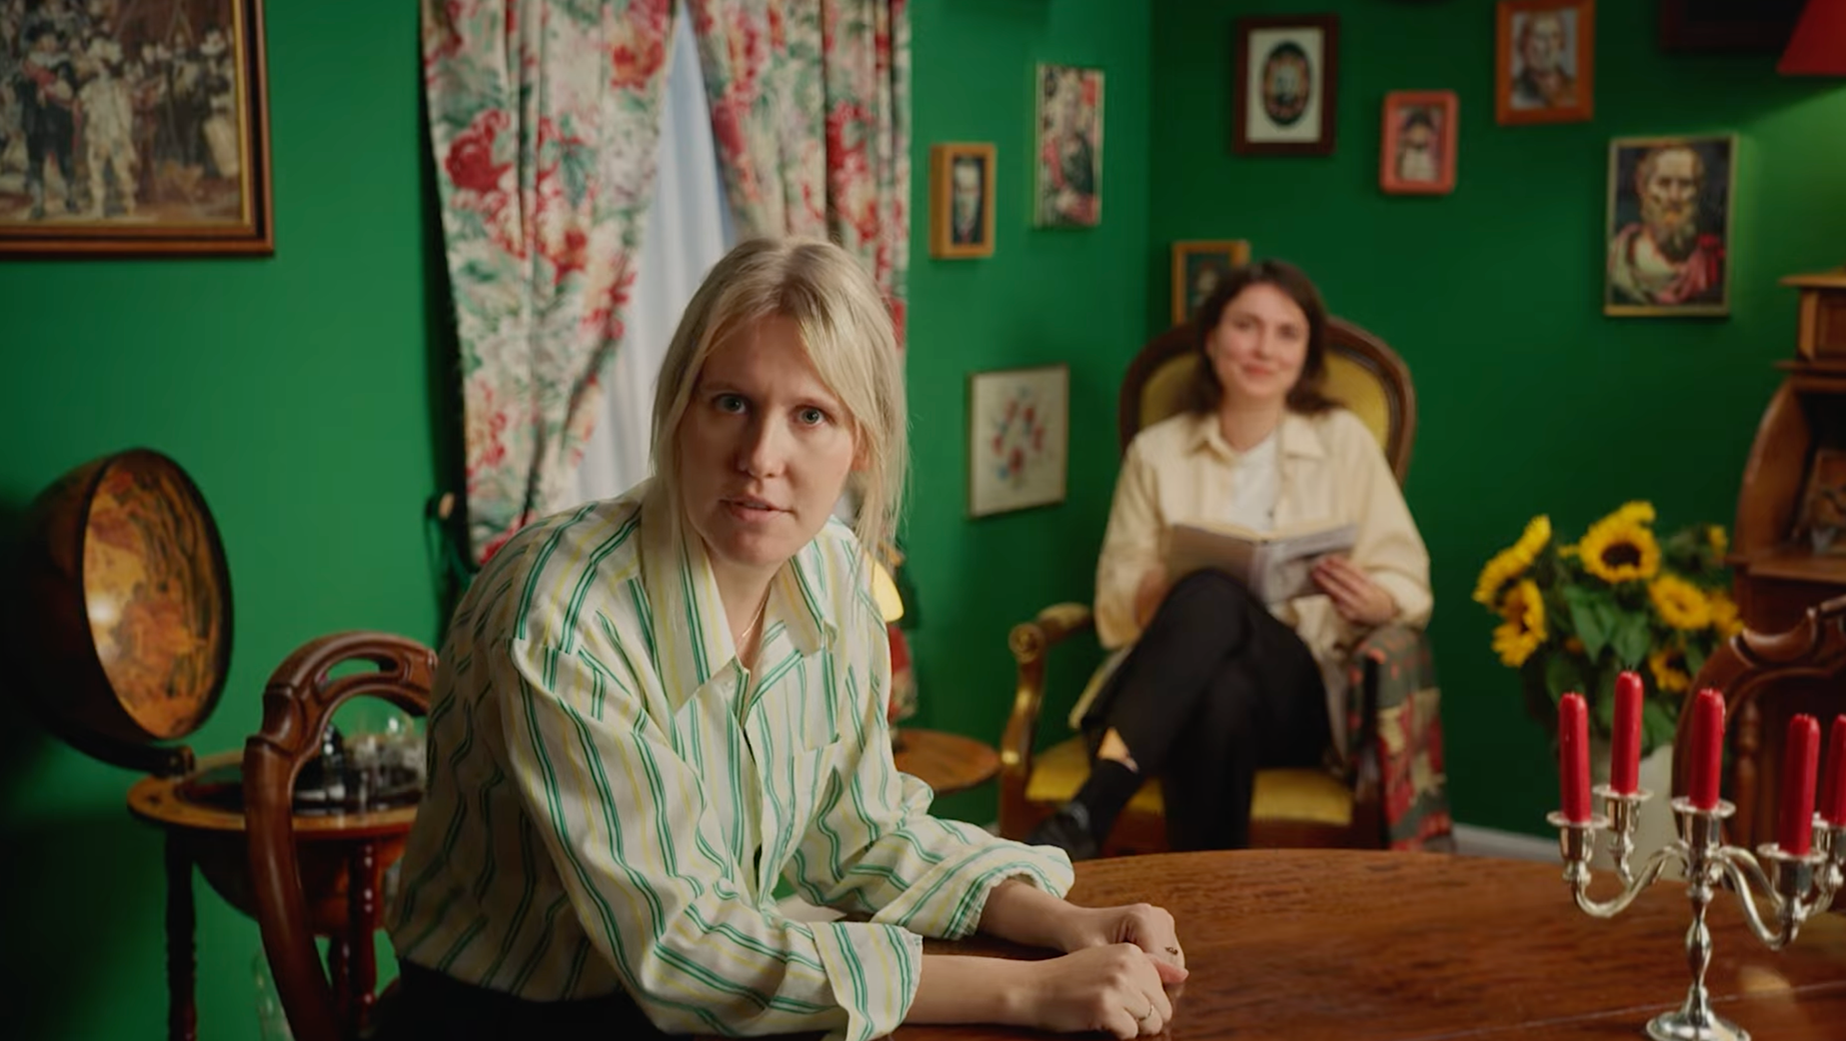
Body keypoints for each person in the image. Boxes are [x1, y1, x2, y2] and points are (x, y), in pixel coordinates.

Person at [387, 237, 1188, 1041]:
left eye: (811, 415)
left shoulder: (837, 575)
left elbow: (859, 832)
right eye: (730, 402)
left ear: (862, 441)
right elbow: (683, 949)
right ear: (679, 409)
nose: (760, 458)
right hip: (504, 1018)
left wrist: (1064, 921)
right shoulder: (564, 609)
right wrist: (1029, 990)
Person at [1028, 260, 1432, 859]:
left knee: (1215, 595)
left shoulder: (1343, 441)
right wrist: (1162, 587)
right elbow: (1114, 600)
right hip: (1174, 688)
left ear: (1306, 353)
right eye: (1246, 326)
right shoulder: (1157, 452)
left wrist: (1377, 600)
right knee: (1220, 684)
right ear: (1213, 338)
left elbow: (1408, 579)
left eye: (1287, 333)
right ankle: (1210, 903)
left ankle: (1093, 806)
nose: (1264, 348)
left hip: (1294, 699)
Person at [1608, 143, 1723, 307]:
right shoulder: (1616, 257)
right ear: (1642, 187)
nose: (1674, 197)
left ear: (1698, 190)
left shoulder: (1715, 259)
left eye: (1685, 184)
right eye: (1663, 183)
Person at [1509, 11, 1576, 110]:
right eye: (1540, 37)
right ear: (1525, 44)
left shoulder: (1575, 88)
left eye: (1555, 36)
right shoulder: (1513, 92)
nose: (1550, 46)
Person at [1395, 109, 1439, 184]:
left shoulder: (1431, 154)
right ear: (1407, 132)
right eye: (1416, 131)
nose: (1419, 134)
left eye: (1423, 131)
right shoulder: (1404, 152)